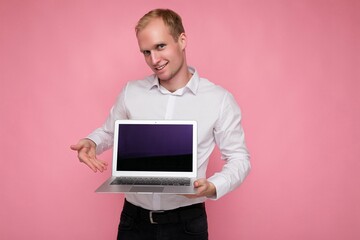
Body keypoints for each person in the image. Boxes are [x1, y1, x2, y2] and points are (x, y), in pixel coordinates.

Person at [70, 8, 250, 240]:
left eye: (160, 46)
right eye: (146, 52)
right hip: (133, 221)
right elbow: (109, 132)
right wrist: (91, 141)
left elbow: (239, 158)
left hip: (187, 224)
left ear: (182, 40)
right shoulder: (131, 92)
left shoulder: (219, 99)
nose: (154, 60)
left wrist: (213, 186)